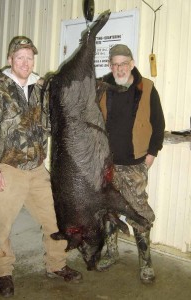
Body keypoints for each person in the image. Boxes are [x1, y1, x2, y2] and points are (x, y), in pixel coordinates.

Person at [0, 36, 82, 298]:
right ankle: (3, 271)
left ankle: (56, 265)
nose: (25, 62)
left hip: (37, 168)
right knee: (2, 225)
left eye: (29, 57)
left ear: (34, 60)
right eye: (19, 57)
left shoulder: (40, 88)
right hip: (8, 169)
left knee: (54, 220)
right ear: (10, 60)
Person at [96, 44, 165, 284]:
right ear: (109, 65)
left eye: (123, 64)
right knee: (108, 210)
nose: (119, 68)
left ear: (132, 63)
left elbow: (158, 123)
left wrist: (152, 153)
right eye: (115, 64)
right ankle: (111, 252)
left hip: (135, 163)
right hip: (106, 164)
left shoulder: (146, 87)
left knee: (139, 213)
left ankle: (145, 263)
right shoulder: (101, 85)